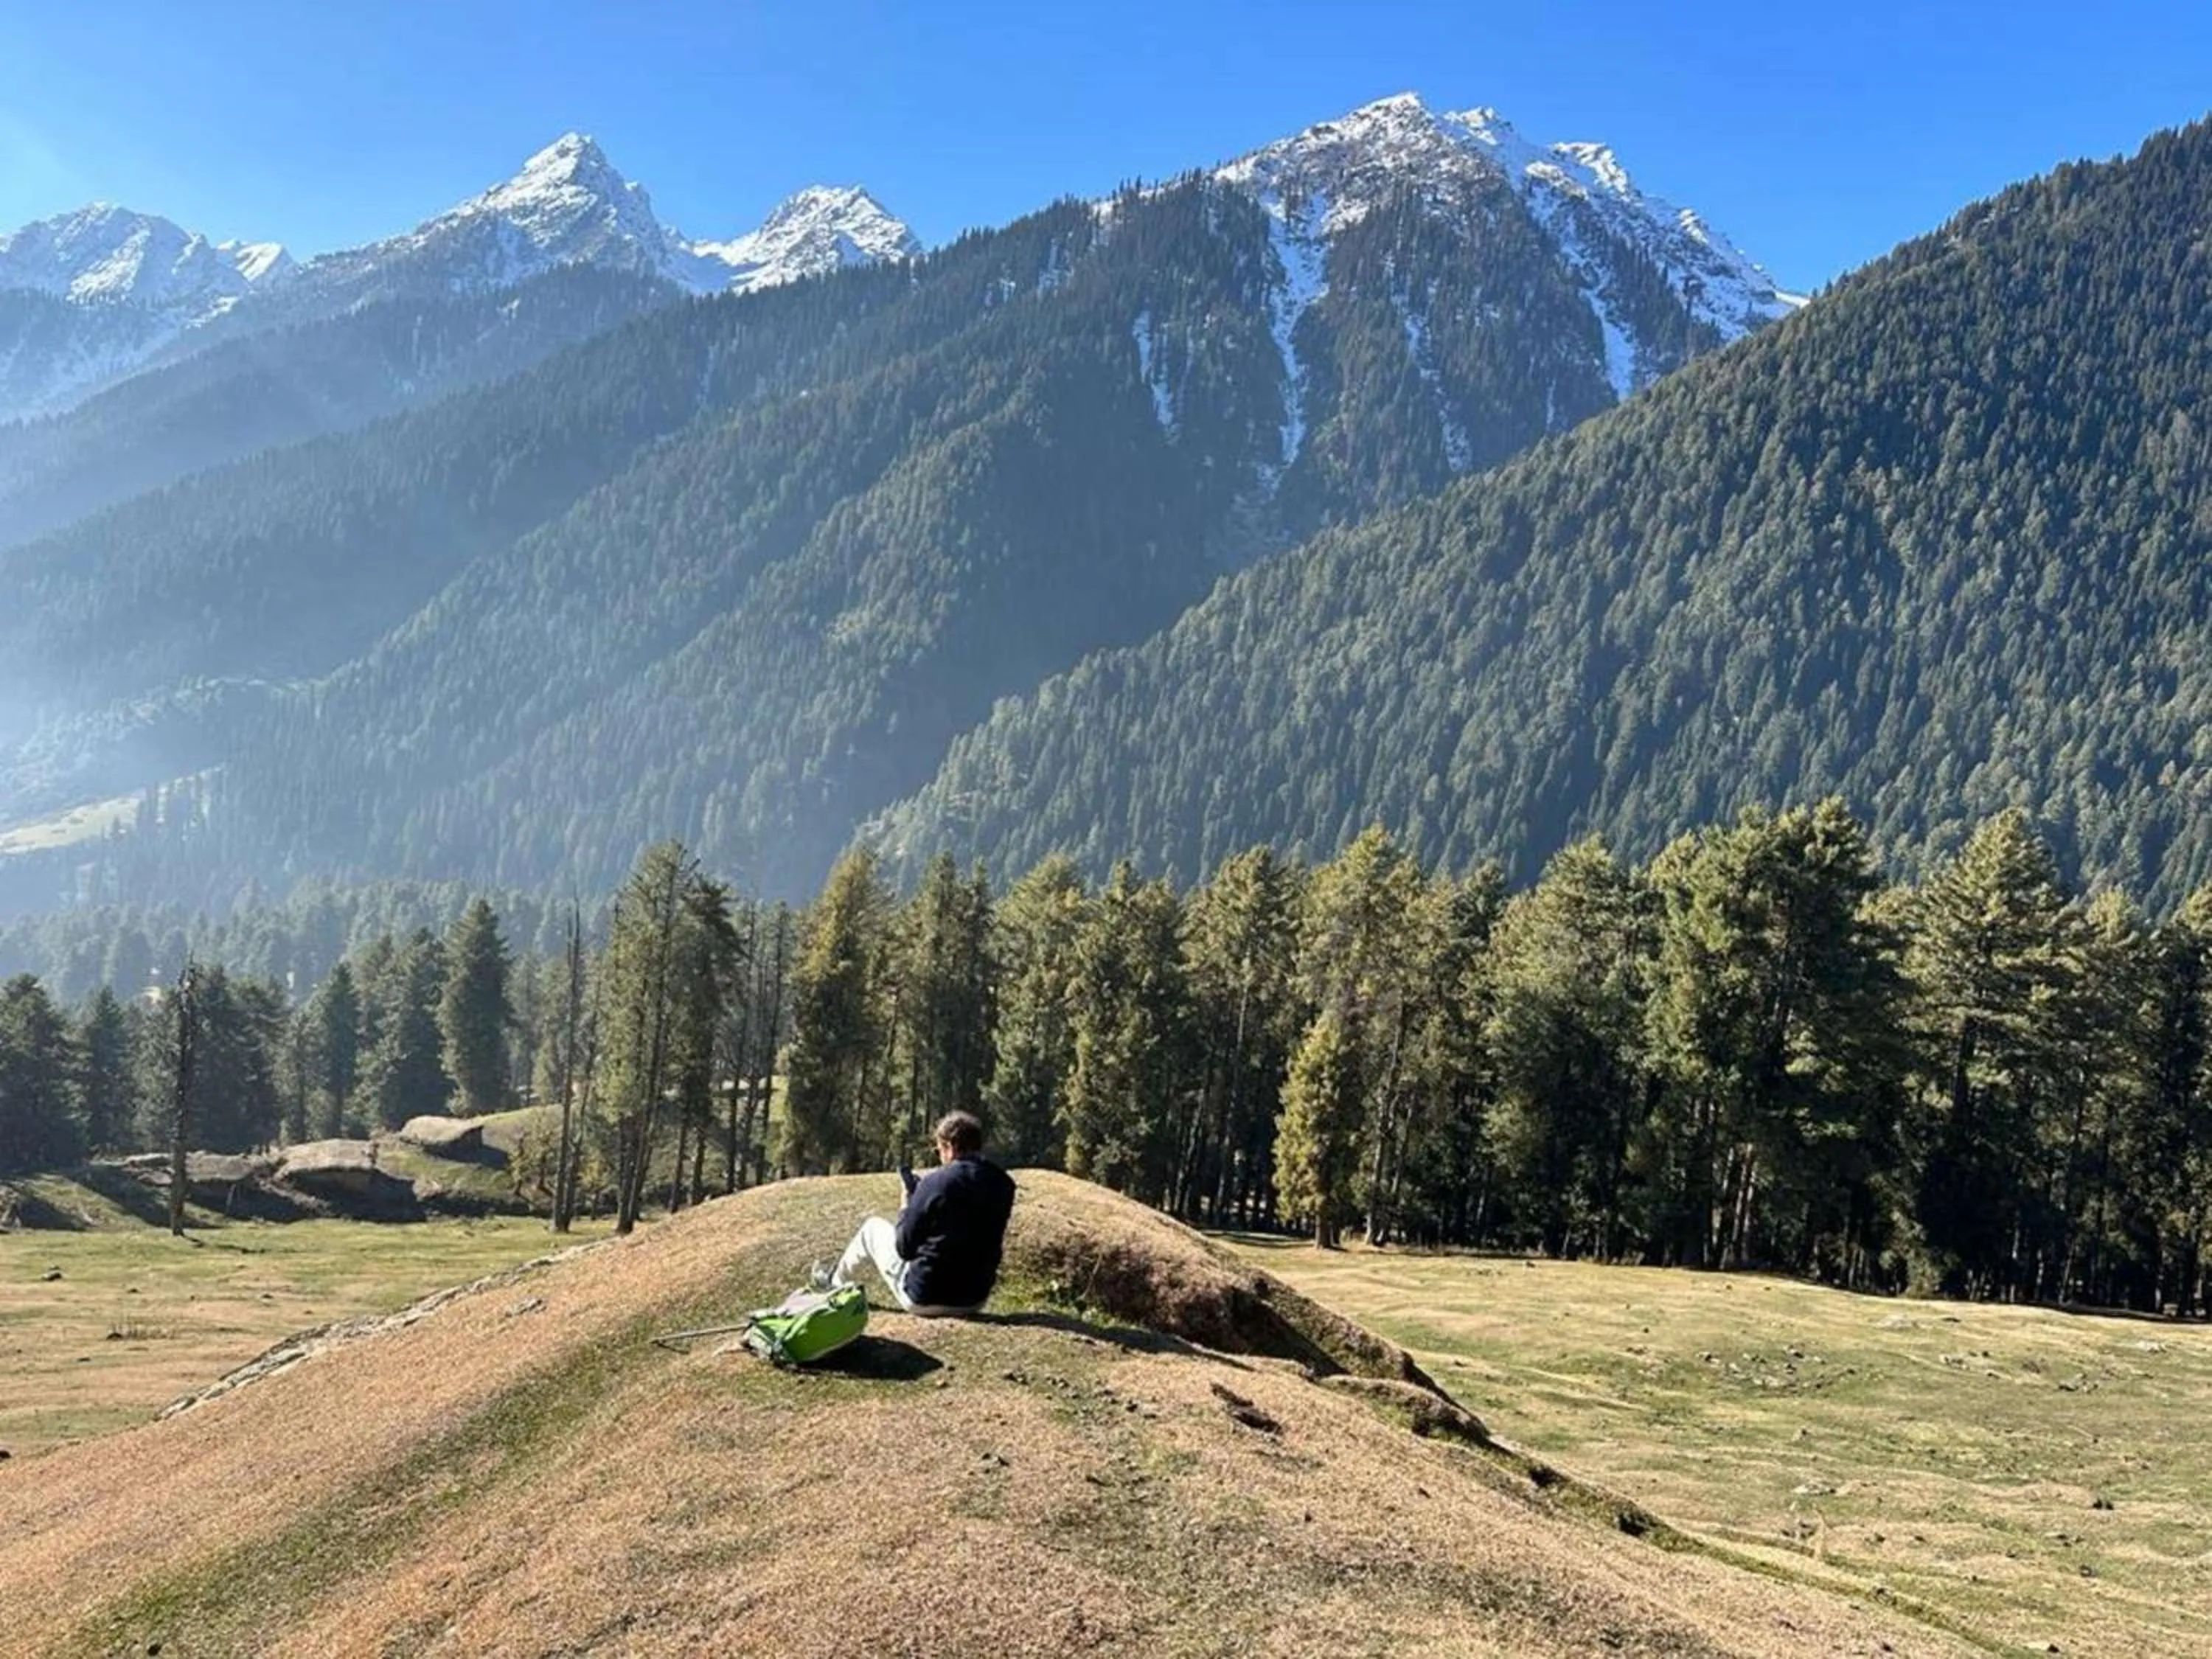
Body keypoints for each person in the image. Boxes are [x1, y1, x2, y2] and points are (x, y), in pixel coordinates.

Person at [825, 1110, 1016, 1316]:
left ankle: (834, 1284)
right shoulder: (1004, 1184)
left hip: (925, 1297)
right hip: (975, 1298)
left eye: (939, 1150)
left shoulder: (936, 1182)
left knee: (871, 1229)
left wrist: (907, 1206)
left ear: (949, 1147)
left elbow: (904, 1248)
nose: (940, 1157)